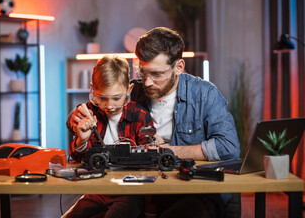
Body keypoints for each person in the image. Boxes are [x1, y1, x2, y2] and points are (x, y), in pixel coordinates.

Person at [68, 27, 240, 217]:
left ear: (179, 67)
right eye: (143, 71)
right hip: (141, 193)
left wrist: (167, 151)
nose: (148, 82)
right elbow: (94, 109)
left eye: (157, 74)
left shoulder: (204, 94)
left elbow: (229, 147)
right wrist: (77, 117)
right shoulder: (131, 92)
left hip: (193, 191)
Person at [63, 55, 154, 218]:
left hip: (129, 192)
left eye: (117, 98)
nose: (109, 105)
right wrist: (81, 140)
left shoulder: (140, 116)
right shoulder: (88, 113)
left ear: (129, 90)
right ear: (92, 89)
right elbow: (77, 158)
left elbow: (148, 161)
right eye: (102, 98)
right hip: (97, 189)